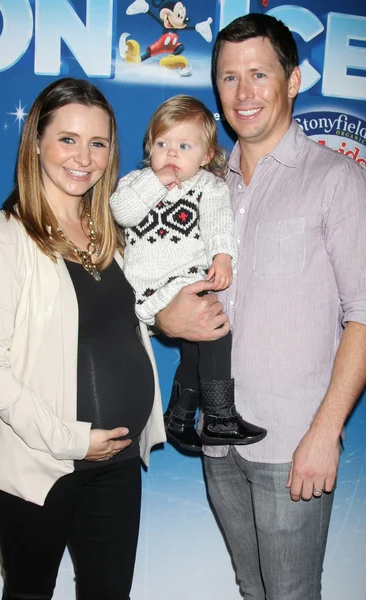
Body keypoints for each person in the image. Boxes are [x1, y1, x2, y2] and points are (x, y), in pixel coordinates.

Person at [156, 13, 366, 600]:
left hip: (293, 442)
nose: (243, 94)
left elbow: (364, 313)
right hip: (217, 438)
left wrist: (326, 433)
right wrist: (164, 318)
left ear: (293, 81)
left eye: (258, 75)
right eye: (228, 78)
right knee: (252, 589)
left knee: (292, 595)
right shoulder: (205, 186)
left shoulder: (336, 180)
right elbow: (168, 282)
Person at [0, 77, 166, 600]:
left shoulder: (118, 236)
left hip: (119, 460)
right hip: (38, 463)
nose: (84, 157)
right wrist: (73, 440)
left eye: (98, 143)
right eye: (68, 139)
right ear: (36, 141)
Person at [110, 95, 266, 453]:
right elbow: (123, 212)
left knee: (196, 351)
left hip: (190, 282)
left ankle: (178, 419)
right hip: (148, 287)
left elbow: (218, 227)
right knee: (217, 336)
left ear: (207, 155)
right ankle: (219, 417)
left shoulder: (209, 188)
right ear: (150, 147)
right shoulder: (137, 182)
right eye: (162, 144)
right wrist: (157, 181)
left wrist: (223, 257)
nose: (172, 154)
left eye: (184, 146)